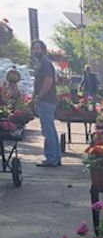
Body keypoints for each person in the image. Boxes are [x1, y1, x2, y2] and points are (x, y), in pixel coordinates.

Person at [31, 39, 61, 168]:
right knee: (50, 129)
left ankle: (52, 158)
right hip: (47, 101)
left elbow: (48, 81)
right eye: (34, 48)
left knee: (47, 129)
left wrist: (39, 96)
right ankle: (55, 156)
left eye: (38, 48)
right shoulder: (42, 64)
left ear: (43, 50)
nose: (35, 51)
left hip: (46, 101)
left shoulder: (45, 64)